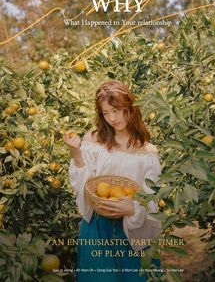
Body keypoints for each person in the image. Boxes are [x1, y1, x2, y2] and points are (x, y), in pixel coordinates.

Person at [64, 80, 162, 282]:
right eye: (105, 113)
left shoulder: (148, 152)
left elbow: (152, 196)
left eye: (116, 110)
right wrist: (76, 153)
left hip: (133, 231)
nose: (112, 118)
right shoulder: (93, 140)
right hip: (97, 228)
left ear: (130, 107)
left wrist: (134, 209)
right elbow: (84, 186)